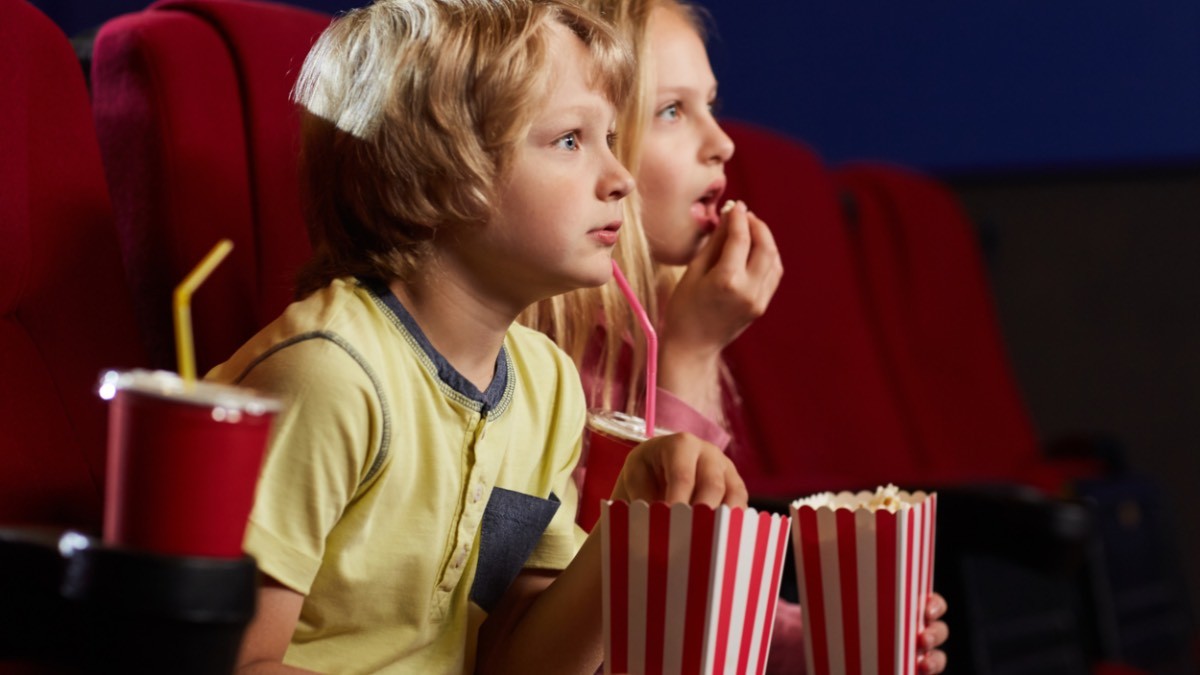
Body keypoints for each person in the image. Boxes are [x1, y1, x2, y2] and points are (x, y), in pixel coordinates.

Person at [206, 1, 746, 672]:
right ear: (445, 173)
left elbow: (521, 662)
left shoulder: (548, 386)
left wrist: (632, 526)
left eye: (610, 138)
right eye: (571, 140)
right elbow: (237, 663)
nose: (621, 179)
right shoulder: (330, 375)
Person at [519, 1, 950, 673]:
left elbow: (702, 600)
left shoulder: (645, 325)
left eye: (712, 106)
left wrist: (828, 639)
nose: (722, 142)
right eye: (671, 111)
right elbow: (626, 612)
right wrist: (691, 354)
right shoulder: (538, 360)